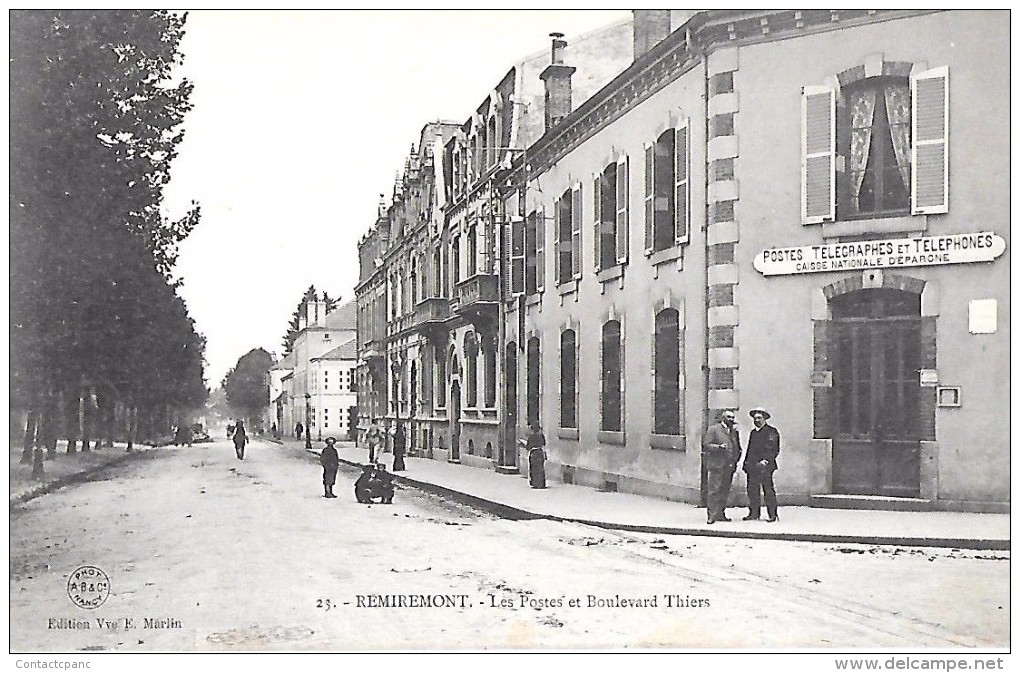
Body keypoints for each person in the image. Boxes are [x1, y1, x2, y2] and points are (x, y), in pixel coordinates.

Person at [702, 409, 741, 524]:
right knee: (714, 491)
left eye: (733, 417)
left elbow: (737, 446)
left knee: (725, 490)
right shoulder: (714, 429)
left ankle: (721, 513)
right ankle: (711, 516)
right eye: (729, 417)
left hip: (729, 466)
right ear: (723, 418)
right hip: (716, 465)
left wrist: (735, 459)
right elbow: (706, 445)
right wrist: (718, 447)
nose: (731, 420)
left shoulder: (733, 431)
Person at [741, 408, 781, 522]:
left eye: (759, 418)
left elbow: (773, 449)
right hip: (752, 466)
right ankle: (754, 513)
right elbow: (750, 450)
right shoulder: (753, 433)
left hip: (765, 466)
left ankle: (772, 514)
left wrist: (766, 460)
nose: (756, 420)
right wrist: (746, 464)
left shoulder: (771, 431)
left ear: (764, 418)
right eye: (755, 418)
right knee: (752, 490)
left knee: (768, 490)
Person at [526, 421, 547, 489]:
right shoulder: (541, 436)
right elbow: (544, 443)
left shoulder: (531, 437)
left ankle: (535, 483)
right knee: (540, 468)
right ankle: (541, 483)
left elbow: (528, 446)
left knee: (534, 468)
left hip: (534, 453)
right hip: (540, 452)